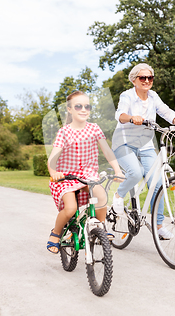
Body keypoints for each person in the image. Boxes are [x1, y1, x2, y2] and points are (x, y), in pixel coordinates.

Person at [111, 63, 175, 239]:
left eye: (150, 78)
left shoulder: (153, 96)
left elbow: (167, 113)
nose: (147, 81)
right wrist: (131, 117)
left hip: (146, 145)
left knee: (157, 183)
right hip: (124, 143)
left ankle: (158, 226)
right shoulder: (127, 95)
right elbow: (120, 114)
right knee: (135, 173)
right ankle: (118, 196)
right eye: (142, 78)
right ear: (134, 80)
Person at [46, 91, 124, 254]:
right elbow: (53, 157)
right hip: (67, 177)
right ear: (69, 109)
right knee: (70, 209)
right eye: (78, 106)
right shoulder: (64, 131)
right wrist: (53, 171)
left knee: (101, 195)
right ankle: (56, 233)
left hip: (88, 176)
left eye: (87, 106)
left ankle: (101, 227)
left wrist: (117, 170)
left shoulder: (94, 128)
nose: (83, 109)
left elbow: (107, 151)